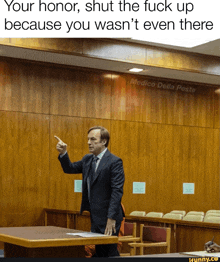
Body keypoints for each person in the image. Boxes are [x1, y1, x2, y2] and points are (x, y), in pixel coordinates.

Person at [55, 126, 125, 257]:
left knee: (109, 251)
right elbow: (69, 168)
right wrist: (63, 153)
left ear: (104, 141)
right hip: (95, 215)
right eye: (88, 139)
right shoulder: (88, 159)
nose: (88, 142)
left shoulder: (114, 161)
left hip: (109, 217)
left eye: (93, 139)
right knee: (100, 250)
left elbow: (117, 191)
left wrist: (111, 218)